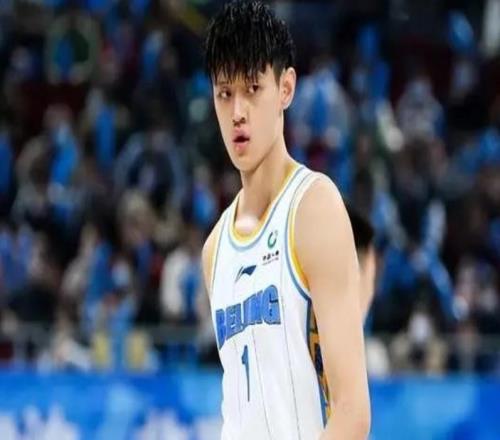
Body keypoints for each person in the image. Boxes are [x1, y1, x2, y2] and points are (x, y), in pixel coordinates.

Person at [201, 2, 370, 439]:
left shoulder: (314, 208)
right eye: (224, 93)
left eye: (253, 88)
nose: (237, 112)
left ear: (286, 89)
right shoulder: (214, 249)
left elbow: (352, 413)